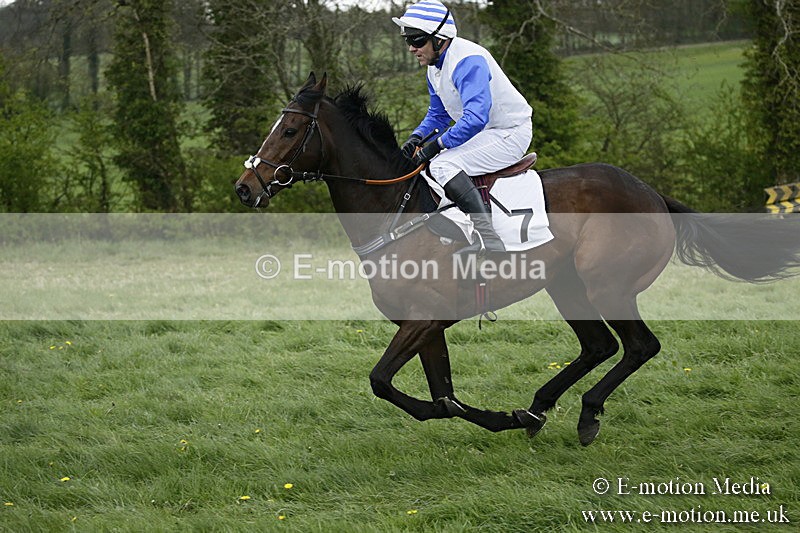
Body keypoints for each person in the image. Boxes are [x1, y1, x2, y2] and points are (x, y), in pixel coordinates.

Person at [392, 0, 533, 255]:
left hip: (510, 132)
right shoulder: (435, 67)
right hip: (486, 133)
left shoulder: (468, 61)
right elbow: (438, 115)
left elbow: (475, 118)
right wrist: (417, 138)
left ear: (439, 39)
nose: (412, 48)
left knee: (442, 164)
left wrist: (435, 146)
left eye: (417, 40)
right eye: (408, 41)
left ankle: (489, 240)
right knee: (427, 165)